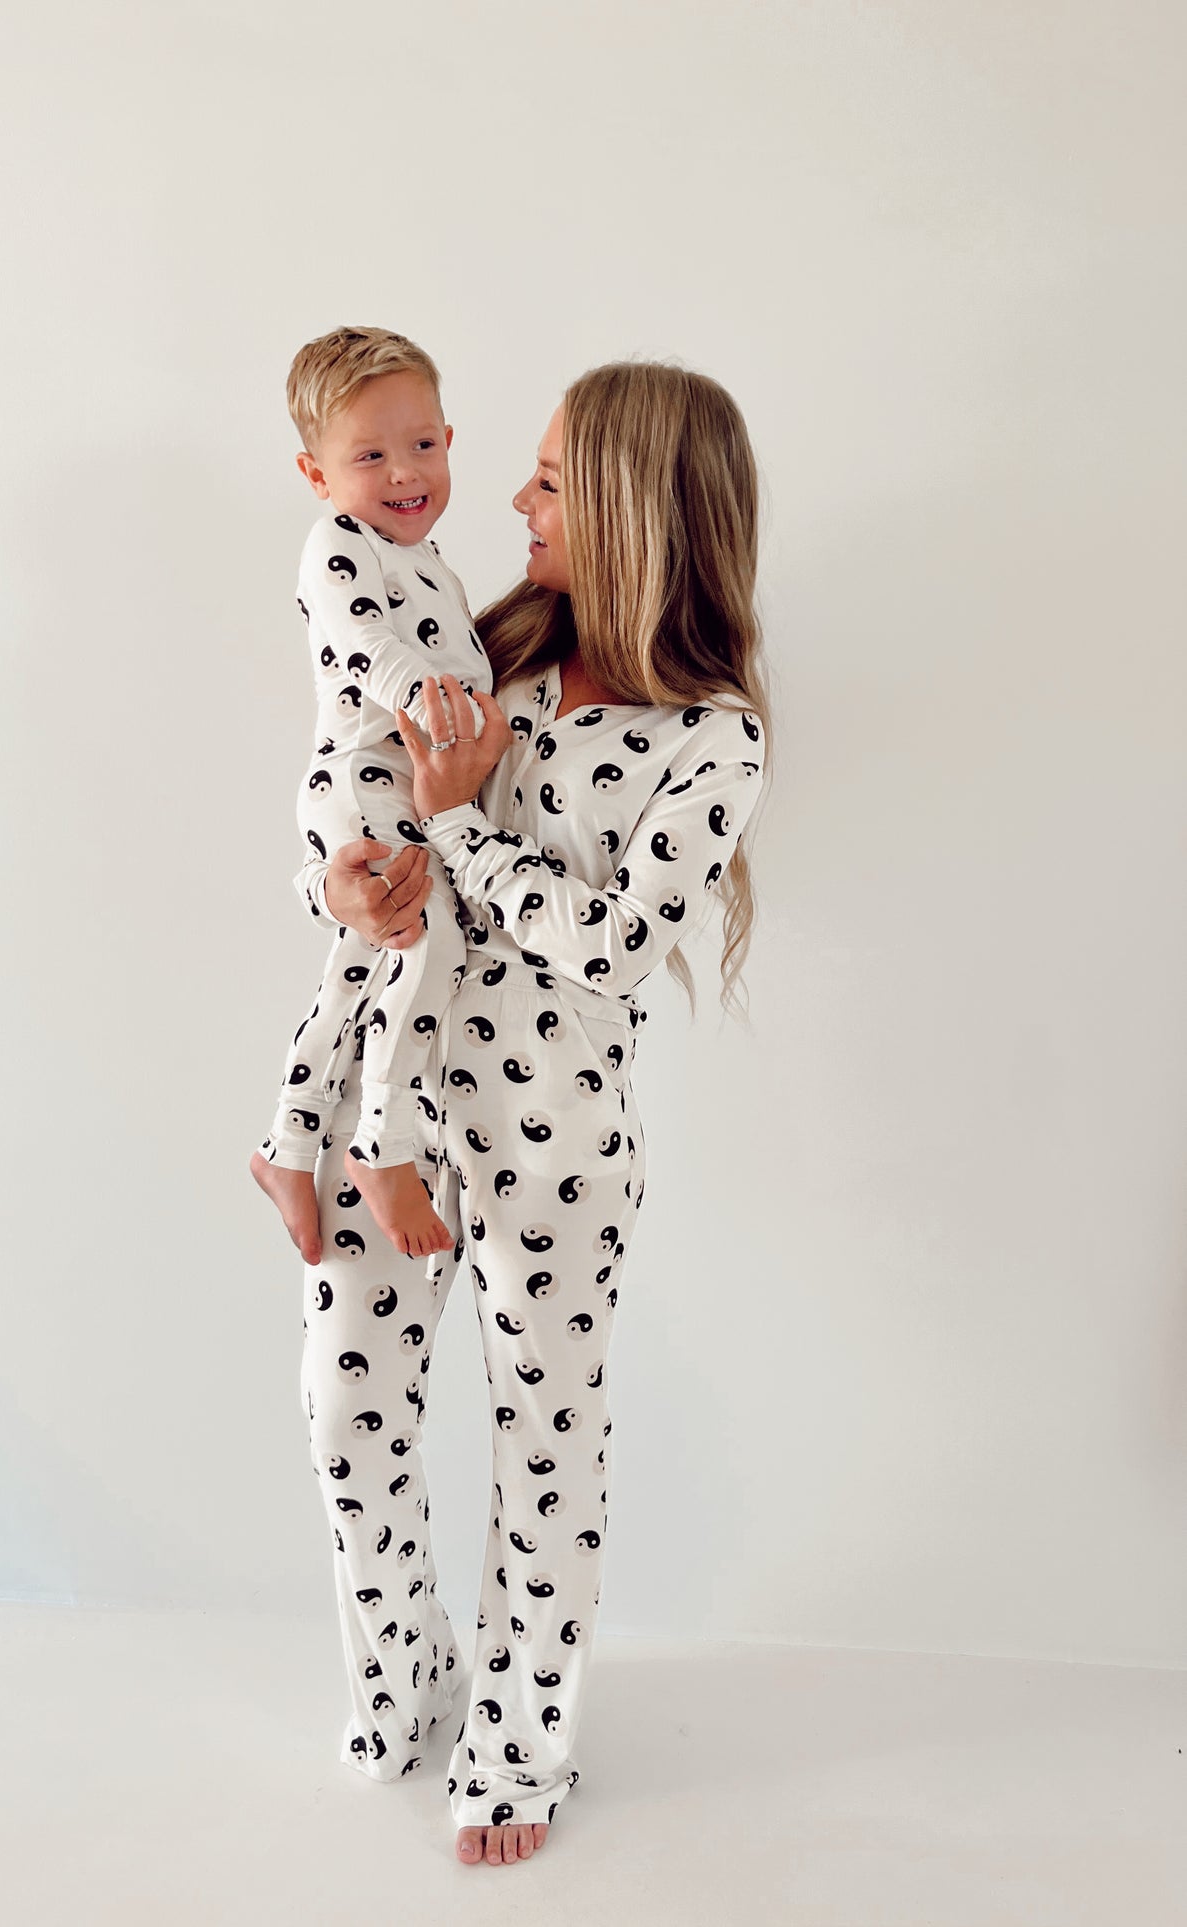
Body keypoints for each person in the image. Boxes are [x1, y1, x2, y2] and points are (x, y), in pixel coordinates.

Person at [289, 359, 773, 1869]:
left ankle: (519, 1731)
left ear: (635, 508)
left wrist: (454, 826)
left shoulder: (714, 740)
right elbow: (354, 806)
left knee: (542, 1440)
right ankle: (404, 1664)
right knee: (345, 1405)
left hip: (554, 1146)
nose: (510, 498)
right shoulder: (478, 647)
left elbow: (614, 941)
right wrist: (346, 876)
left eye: (551, 480)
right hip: (396, 1108)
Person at [250, 326, 493, 1263]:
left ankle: (287, 1140)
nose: (406, 472)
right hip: (362, 776)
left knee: (362, 968)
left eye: (423, 444)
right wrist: (428, 704)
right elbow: (361, 642)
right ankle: (381, 1146)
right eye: (371, 454)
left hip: (399, 779)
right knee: (430, 937)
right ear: (317, 475)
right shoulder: (338, 541)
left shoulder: (434, 565)